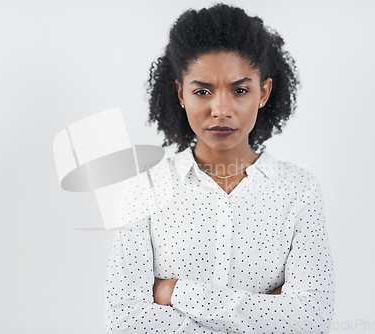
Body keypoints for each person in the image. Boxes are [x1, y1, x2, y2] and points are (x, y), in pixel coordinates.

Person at [105, 4, 335, 333]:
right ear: (181, 94)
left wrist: (174, 291)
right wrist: (265, 314)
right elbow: (124, 321)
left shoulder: (298, 190)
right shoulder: (147, 190)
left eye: (240, 90)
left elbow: (310, 320)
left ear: (263, 92)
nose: (221, 109)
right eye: (202, 91)